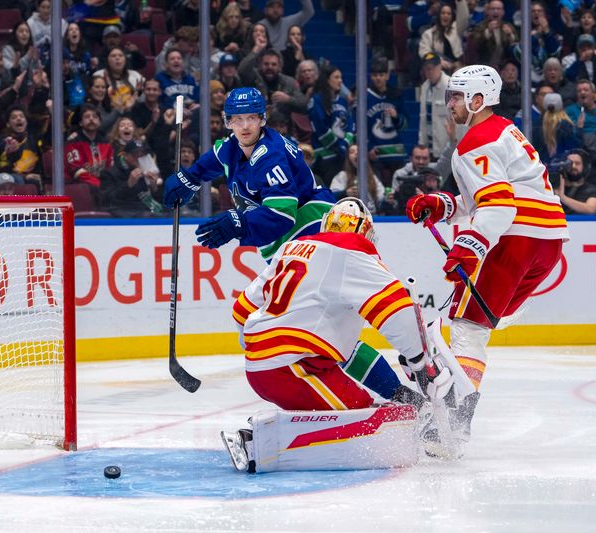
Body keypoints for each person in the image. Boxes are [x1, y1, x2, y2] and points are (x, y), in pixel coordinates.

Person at [405, 65, 569, 451]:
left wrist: (469, 246)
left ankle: (454, 426)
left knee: (467, 326)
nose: (450, 104)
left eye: (458, 97)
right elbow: (491, 196)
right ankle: (456, 411)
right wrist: (444, 206)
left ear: (478, 100)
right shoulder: (503, 131)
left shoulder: (475, 141)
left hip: (516, 238)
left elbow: (498, 206)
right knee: (477, 320)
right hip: (548, 240)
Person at [222, 197, 433, 473]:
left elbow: (241, 310)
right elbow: (395, 309)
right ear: (362, 230)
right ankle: (255, 445)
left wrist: (400, 392)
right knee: (377, 422)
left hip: (269, 365)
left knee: (354, 394)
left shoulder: (292, 247)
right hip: (292, 368)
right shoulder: (351, 251)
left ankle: (274, 432)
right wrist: (419, 359)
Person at [163, 87, 335, 262]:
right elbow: (215, 158)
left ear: (262, 119)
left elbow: (282, 214)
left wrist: (239, 223)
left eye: (251, 118)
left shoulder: (270, 156)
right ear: (228, 122)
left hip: (313, 228)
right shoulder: (233, 145)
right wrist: (190, 177)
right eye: (238, 119)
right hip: (291, 240)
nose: (245, 126)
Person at [308, 64, 354, 180]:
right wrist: (338, 147)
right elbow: (320, 127)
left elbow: (350, 124)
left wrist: (345, 144)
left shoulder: (343, 101)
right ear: (327, 80)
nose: (340, 81)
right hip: (325, 157)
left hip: (343, 156)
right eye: (337, 77)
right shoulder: (317, 100)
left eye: (341, 77)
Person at [418, 0, 469, 73]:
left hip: (456, 66)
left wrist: (460, 2)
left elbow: (464, 18)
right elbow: (424, 52)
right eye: (443, 13)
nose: (446, 15)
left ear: (452, 17)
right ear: (438, 16)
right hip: (437, 66)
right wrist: (439, 61)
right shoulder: (429, 33)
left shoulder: (457, 29)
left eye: (449, 14)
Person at [329, 144, 384, 211]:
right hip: (348, 217)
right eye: (352, 152)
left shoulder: (373, 177)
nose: (356, 153)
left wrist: (387, 199)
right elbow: (331, 196)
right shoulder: (342, 176)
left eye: (359, 151)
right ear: (348, 158)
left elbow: (381, 198)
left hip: (371, 216)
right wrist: (345, 193)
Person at [419, 53, 452, 158]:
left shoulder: (451, 86)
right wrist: (422, 145)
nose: (429, 72)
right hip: (429, 149)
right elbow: (423, 119)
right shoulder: (424, 87)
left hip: (447, 149)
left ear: (440, 66)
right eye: (426, 69)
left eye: (431, 68)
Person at [556, 149, 596, 214]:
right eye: (569, 163)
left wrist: (563, 198)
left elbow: (591, 209)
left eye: (577, 163)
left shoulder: (594, 190)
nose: (573, 166)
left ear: (585, 167)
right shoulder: (555, 188)